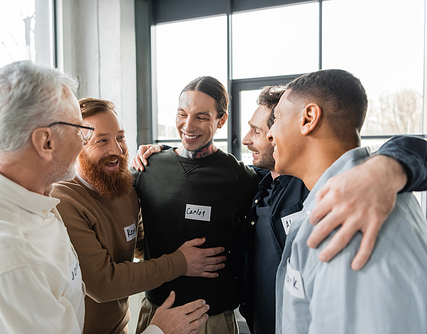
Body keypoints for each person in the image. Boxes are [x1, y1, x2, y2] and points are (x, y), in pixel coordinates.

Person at [0, 61, 211, 334]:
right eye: (81, 130)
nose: (83, 142)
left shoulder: (23, 194)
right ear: (46, 142)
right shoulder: (14, 263)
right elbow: (100, 283)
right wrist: (159, 331)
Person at [134, 85, 427, 334]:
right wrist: (154, 154)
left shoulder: (331, 187)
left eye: (262, 129)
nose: (250, 139)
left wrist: (388, 166)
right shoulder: (258, 182)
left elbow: (413, 149)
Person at [235, 85, 427, 334]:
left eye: (277, 120)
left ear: (309, 119)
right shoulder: (258, 182)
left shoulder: (354, 204)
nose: (269, 135)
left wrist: (387, 166)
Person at [51, 98, 225, 334]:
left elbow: (141, 245)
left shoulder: (122, 186)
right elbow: (103, 283)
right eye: (102, 141)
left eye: (120, 137)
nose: (117, 149)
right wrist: (181, 262)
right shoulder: (63, 200)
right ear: (74, 147)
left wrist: (165, 158)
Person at [133, 76, 260, 334]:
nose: (188, 126)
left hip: (212, 320)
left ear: (221, 120)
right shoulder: (148, 167)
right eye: (182, 114)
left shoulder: (242, 179)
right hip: (156, 316)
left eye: (201, 117)